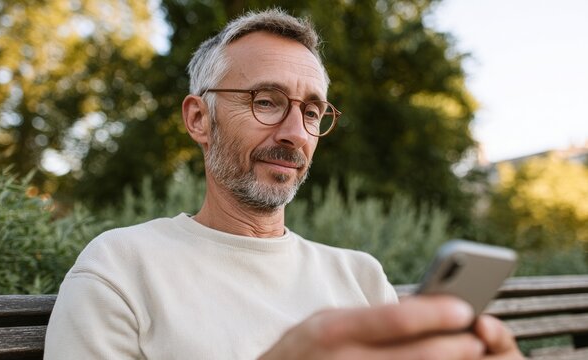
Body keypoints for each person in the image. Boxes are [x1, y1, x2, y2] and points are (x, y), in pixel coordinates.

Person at [44, 9, 523, 359]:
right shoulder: (120, 269)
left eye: (312, 112)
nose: (295, 133)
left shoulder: (359, 275)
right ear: (199, 118)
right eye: (267, 101)